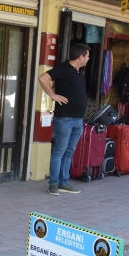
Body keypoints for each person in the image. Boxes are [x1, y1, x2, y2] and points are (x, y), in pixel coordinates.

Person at [38, 43, 90, 196]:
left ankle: (64, 182)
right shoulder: (63, 69)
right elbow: (43, 78)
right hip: (65, 119)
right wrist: (53, 95)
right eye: (87, 56)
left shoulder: (79, 71)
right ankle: (53, 183)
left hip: (78, 120)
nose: (88, 59)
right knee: (59, 151)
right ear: (80, 57)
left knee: (69, 151)